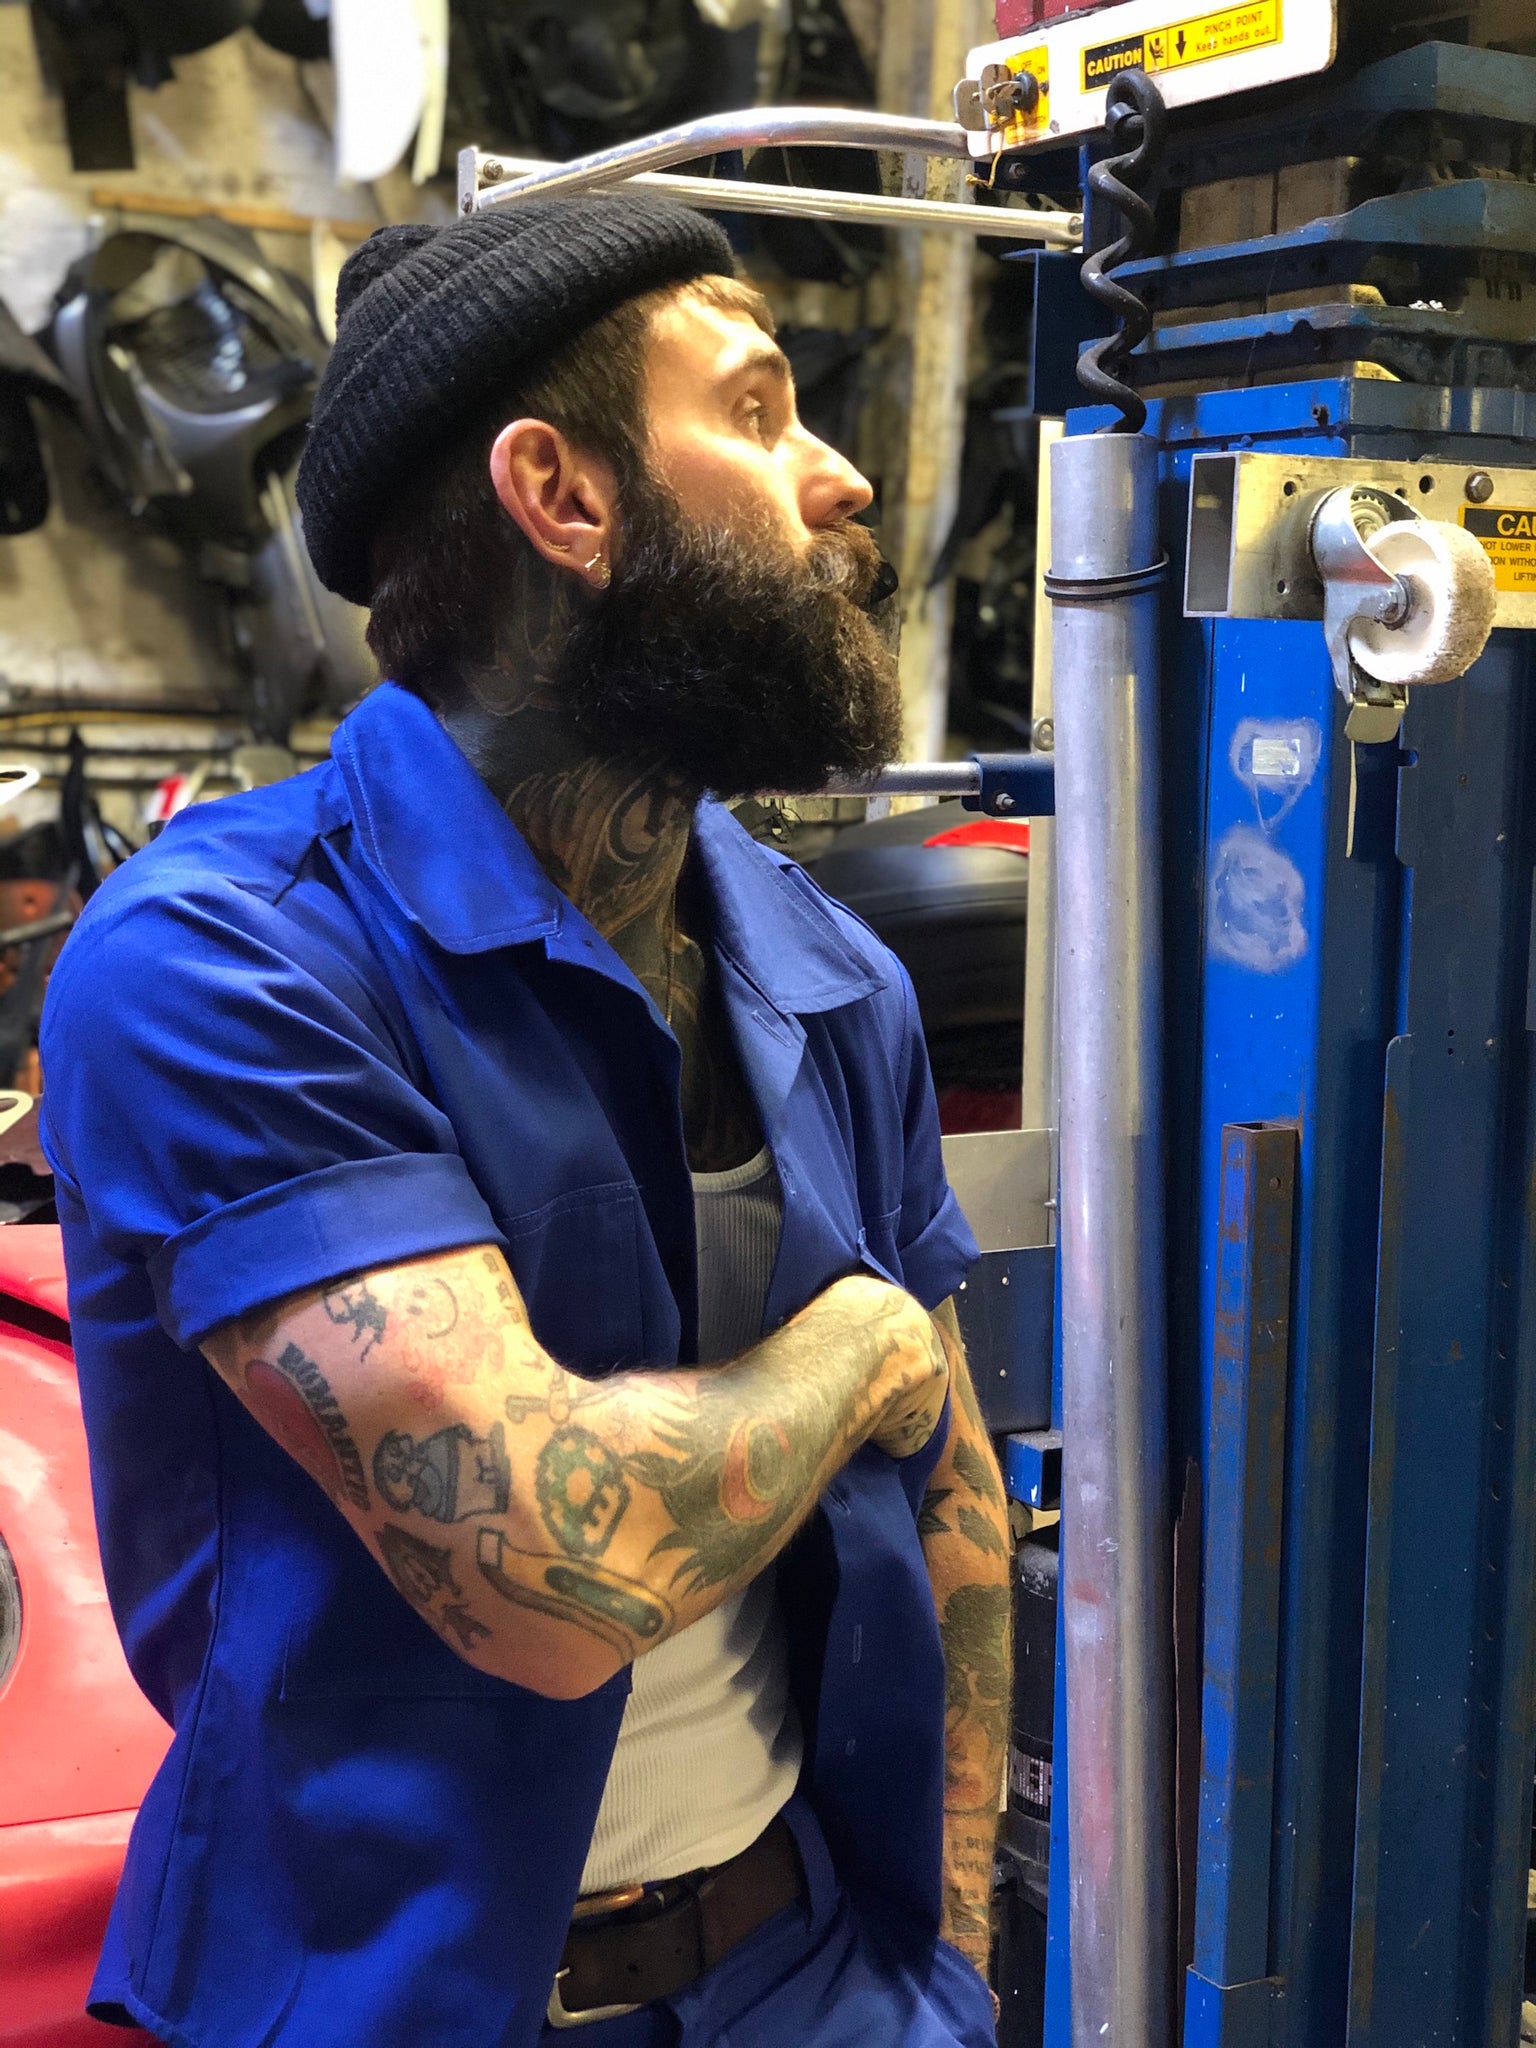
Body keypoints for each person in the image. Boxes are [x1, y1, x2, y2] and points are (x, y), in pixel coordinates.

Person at [39, 195, 1014, 2048]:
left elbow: (947, 1500)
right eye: (757, 409)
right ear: (562, 497)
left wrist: (947, 1956)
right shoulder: (222, 960)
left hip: (811, 1980)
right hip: (380, 2003)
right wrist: (862, 1346)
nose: (840, 479)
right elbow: (554, 1577)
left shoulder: (827, 970)